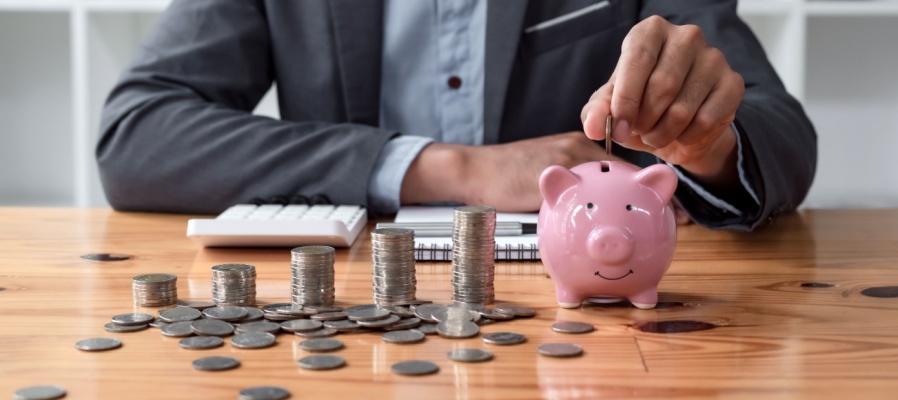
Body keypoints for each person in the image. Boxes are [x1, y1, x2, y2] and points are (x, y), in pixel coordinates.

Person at [97, 0, 816, 231]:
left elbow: (779, 129)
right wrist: (456, 170)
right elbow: (138, 134)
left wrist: (705, 143)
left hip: (599, 316)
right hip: (349, 312)